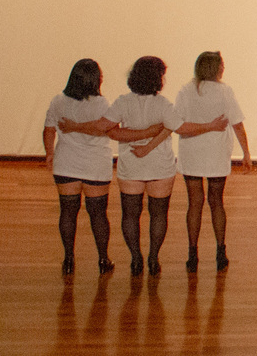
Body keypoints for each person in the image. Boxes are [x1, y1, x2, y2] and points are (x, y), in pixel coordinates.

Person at [63, 56, 226, 276]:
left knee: (130, 215)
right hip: (160, 166)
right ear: (157, 78)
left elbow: (105, 128)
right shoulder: (163, 104)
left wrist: (74, 126)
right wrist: (210, 126)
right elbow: (182, 128)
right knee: (158, 215)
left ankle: (136, 258)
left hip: (131, 165)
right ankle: (153, 258)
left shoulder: (122, 102)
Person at [43, 59, 130, 275]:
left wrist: (50, 153)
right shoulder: (102, 104)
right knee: (98, 214)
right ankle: (103, 259)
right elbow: (108, 130)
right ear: (95, 79)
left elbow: (48, 130)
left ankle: (68, 259)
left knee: (67, 213)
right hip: (95, 164)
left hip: (66, 162)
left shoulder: (58, 101)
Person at [172, 51, 252, 273]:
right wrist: (246, 152)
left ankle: (192, 253)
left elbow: (177, 123)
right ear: (215, 68)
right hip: (216, 153)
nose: (223, 68)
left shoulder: (186, 90)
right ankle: (220, 251)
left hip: (191, 153)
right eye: (222, 65)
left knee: (194, 203)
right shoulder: (225, 92)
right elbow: (237, 124)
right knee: (217, 202)